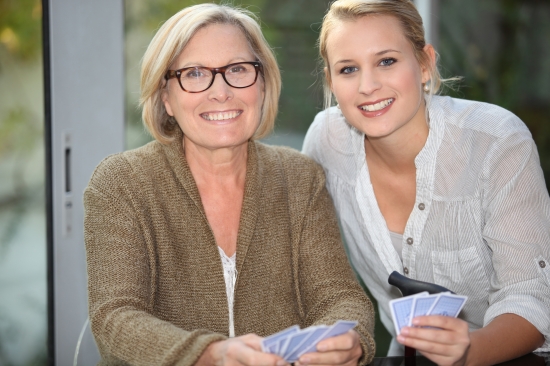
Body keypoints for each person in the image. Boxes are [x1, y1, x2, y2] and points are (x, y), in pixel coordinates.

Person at [83, 4, 375, 366]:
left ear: (263, 84)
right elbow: (115, 318)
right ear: (165, 97)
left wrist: (347, 339)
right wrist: (210, 354)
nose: (220, 92)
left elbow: (340, 296)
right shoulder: (121, 183)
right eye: (194, 73)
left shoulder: (300, 178)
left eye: (238, 69)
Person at [302, 0, 550, 365]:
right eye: (348, 69)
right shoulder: (326, 141)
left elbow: (531, 297)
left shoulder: (496, 141)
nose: (368, 86)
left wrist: (468, 351)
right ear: (331, 81)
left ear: (424, 63)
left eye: (387, 61)